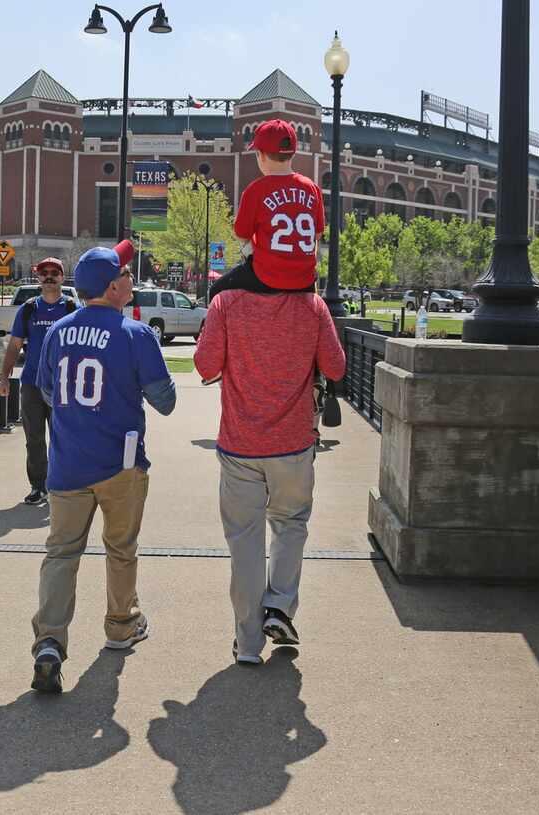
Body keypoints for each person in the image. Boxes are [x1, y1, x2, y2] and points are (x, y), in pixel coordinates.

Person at [30, 239, 176, 694]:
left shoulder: (58, 331)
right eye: (127, 275)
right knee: (121, 547)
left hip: (67, 463)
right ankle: (120, 625)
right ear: (114, 288)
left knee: (61, 553)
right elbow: (165, 401)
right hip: (120, 462)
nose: (133, 280)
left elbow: (48, 391)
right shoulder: (135, 333)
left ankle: (49, 643)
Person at [194, 284, 346, 666]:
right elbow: (336, 367)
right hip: (293, 445)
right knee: (290, 524)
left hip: (240, 444)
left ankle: (247, 643)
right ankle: (278, 607)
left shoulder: (226, 302)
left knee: (245, 541)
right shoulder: (312, 306)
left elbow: (205, 365)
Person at [209, 118, 324, 301]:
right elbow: (317, 235)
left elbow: (241, 233)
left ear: (261, 155)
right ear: (293, 153)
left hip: (266, 278)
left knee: (215, 291)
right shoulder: (312, 188)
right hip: (305, 282)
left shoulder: (255, 190)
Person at [0, 257, 77, 504]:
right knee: (34, 439)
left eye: (55, 272)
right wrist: (4, 377)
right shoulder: (29, 309)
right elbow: (14, 345)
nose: (50, 276)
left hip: (63, 385)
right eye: (44, 273)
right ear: (38, 277)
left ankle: (61, 483)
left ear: (63, 277)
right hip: (32, 383)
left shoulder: (72, 308)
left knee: (62, 438)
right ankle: (38, 487)